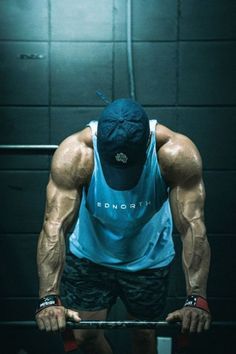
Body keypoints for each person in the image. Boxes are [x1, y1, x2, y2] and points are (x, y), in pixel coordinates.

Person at [35, 98, 211, 354]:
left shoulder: (175, 153)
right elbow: (54, 226)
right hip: (90, 257)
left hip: (149, 259)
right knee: (85, 337)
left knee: (143, 335)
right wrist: (48, 296)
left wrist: (197, 297)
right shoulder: (75, 153)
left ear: (147, 143)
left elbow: (193, 227)